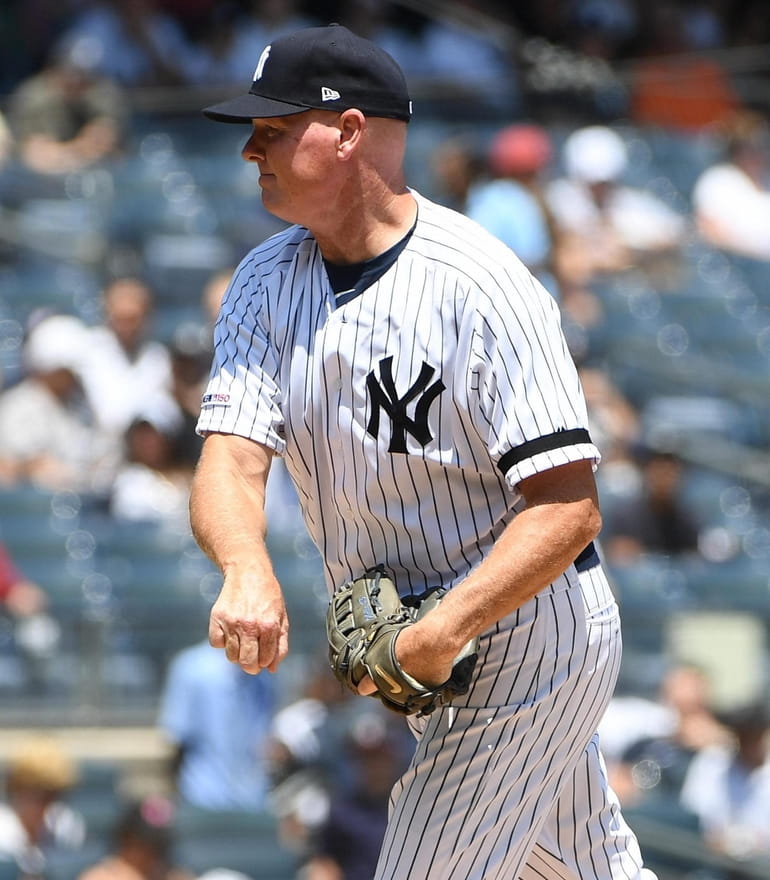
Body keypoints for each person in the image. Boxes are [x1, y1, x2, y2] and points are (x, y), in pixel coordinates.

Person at [189, 23, 657, 880]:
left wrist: (443, 629)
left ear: (351, 131)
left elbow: (569, 505)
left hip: (526, 634)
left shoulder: (480, 284)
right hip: (420, 643)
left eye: (274, 126)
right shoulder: (262, 280)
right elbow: (230, 453)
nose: (251, 147)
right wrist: (244, 564)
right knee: (589, 871)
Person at [0, 313, 115, 493]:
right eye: (66, 370)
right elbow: (9, 467)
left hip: (80, 503)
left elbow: (101, 453)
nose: (72, 377)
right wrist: (29, 467)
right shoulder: (16, 406)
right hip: (34, 507)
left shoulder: (83, 404)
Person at [157, 640, 276, 811]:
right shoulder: (191, 666)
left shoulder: (265, 672)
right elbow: (177, 741)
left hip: (252, 800)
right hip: (202, 797)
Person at [6, 34, 127, 176]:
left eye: (84, 76)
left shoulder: (99, 91)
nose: (77, 81)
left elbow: (107, 139)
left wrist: (95, 141)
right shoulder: (34, 99)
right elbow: (36, 155)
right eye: (72, 73)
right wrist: (80, 149)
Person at [679, 700, 770, 859]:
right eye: (744, 734)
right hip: (713, 860)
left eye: (755, 735)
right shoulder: (712, 762)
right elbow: (694, 817)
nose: (750, 742)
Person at [0, 736, 86, 879]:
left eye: (54, 794)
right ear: (17, 789)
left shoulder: (67, 825)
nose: (48, 804)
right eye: (40, 794)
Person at [691, 110, 770, 262]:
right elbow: (709, 232)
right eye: (751, 147)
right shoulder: (718, 180)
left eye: (764, 147)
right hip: (739, 266)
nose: (760, 153)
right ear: (737, 149)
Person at [76, 796, 194, 880]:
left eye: (161, 844)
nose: (156, 852)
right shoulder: (100, 877)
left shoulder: (171, 874)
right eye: (151, 844)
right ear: (127, 840)